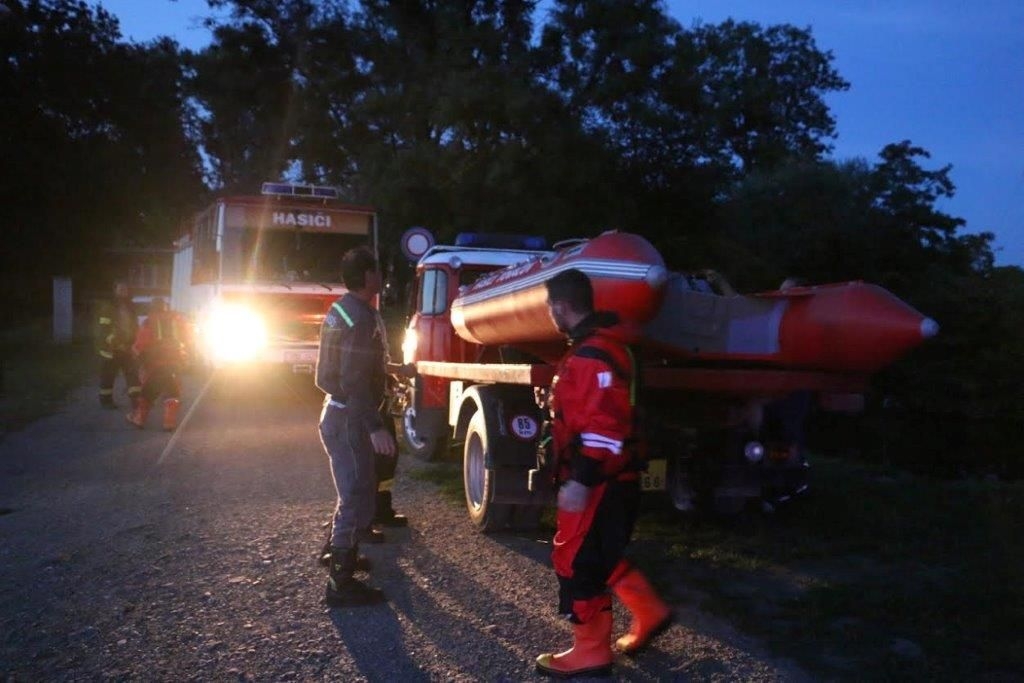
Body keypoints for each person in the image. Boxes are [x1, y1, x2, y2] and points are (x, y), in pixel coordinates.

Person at [535, 269, 671, 679]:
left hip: (599, 483)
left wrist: (581, 481)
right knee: (600, 554)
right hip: (616, 480)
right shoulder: (602, 348)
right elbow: (600, 411)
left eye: (549, 307)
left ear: (560, 306)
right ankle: (650, 612)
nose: (548, 313)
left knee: (576, 561)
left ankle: (591, 652)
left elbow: (605, 430)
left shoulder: (592, 355)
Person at [315, 246, 396, 607]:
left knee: (358, 484)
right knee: (352, 492)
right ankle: (340, 583)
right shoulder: (361, 318)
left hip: (340, 412)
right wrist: (375, 426)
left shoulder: (342, 310)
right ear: (367, 278)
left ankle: (337, 551)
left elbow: (351, 370)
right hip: (348, 416)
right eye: (377, 272)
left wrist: (393, 372)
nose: (381, 277)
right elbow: (354, 379)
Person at [126, 298, 190, 431]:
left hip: (156, 364)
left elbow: (141, 344)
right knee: (172, 391)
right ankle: (169, 423)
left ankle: (139, 419)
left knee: (148, 392)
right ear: (166, 307)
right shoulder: (177, 320)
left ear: (152, 308)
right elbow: (188, 338)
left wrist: (137, 355)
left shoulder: (149, 322)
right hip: (175, 363)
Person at [94, 281, 141, 409]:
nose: (123, 291)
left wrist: (134, 342)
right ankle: (106, 401)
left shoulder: (131, 307)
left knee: (133, 375)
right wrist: (115, 341)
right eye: (120, 289)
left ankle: (137, 401)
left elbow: (135, 326)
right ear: (115, 290)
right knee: (108, 377)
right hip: (111, 349)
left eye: (125, 289)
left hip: (127, 347)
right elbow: (104, 328)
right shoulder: (108, 306)